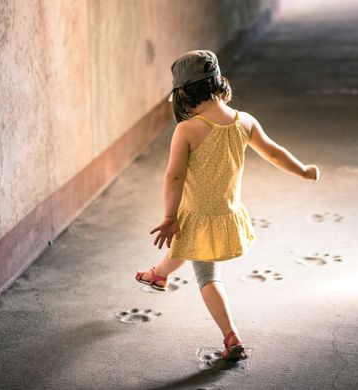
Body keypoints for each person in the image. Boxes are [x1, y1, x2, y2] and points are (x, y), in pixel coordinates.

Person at [135, 50, 320, 360]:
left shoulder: (188, 129)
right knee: (188, 246)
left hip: (198, 216)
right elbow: (274, 153)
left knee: (207, 277)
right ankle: (158, 274)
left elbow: (174, 176)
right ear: (219, 83)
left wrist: (169, 216)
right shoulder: (244, 121)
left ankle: (231, 337)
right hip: (227, 214)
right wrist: (303, 170)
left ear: (183, 94)